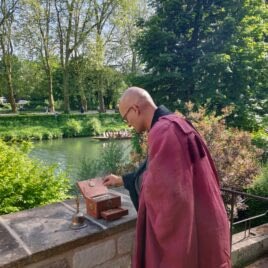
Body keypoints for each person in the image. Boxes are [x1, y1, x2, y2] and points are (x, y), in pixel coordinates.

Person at [103, 87, 231, 268]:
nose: (128, 123)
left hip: (195, 235)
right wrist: (123, 180)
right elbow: (156, 173)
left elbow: (165, 195)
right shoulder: (176, 122)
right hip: (209, 223)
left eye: (126, 118)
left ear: (135, 109)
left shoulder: (163, 131)